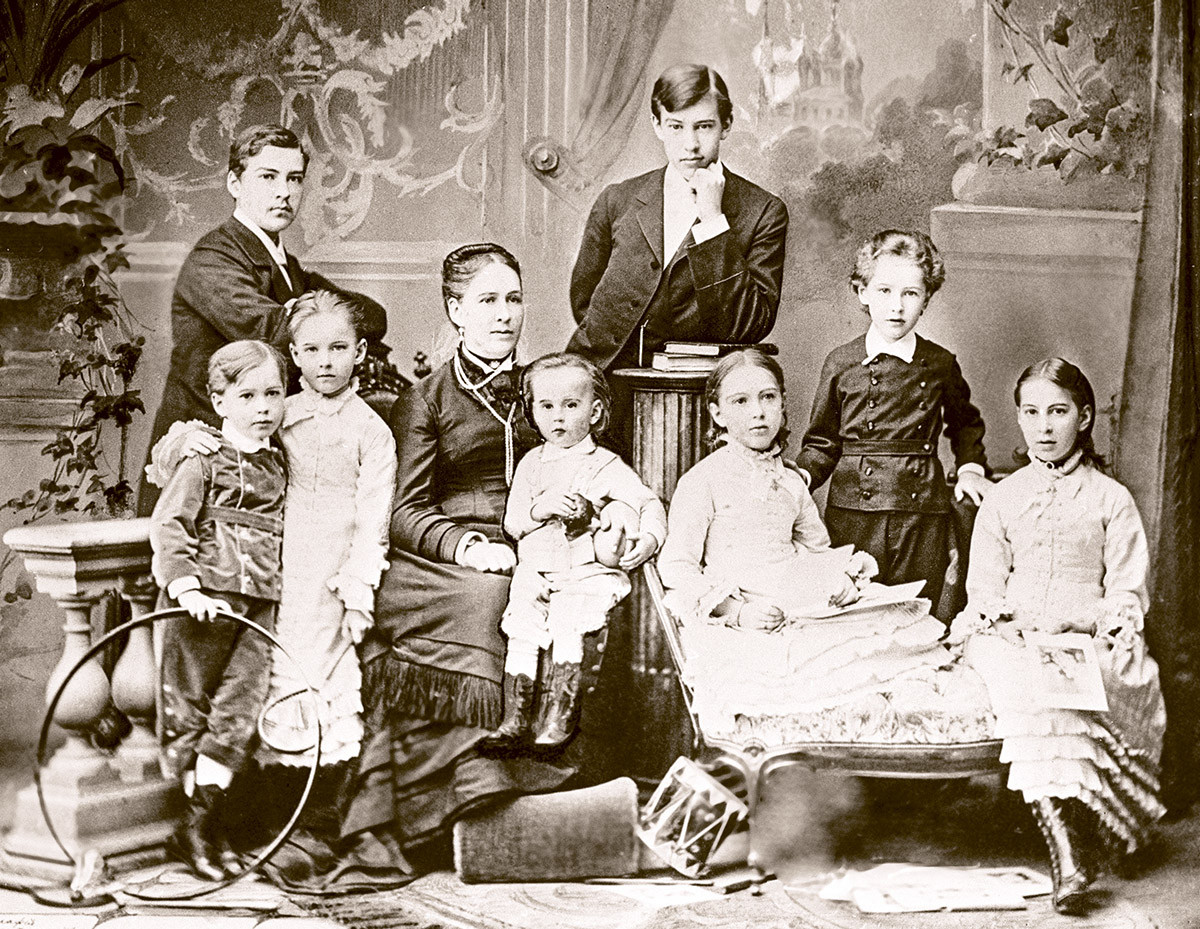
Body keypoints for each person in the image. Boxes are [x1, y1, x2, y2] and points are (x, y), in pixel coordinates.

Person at [341, 244, 576, 872]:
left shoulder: (549, 389)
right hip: (444, 556)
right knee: (491, 597)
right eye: (487, 300)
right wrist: (467, 545)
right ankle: (459, 799)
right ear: (455, 310)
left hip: (539, 540)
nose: (504, 314)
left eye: (514, 299)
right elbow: (403, 510)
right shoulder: (428, 399)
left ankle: (548, 797)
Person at [657, 349, 978, 740]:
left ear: (782, 404)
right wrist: (737, 611)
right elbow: (676, 567)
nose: (758, 412)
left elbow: (817, 549)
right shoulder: (703, 480)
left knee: (891, 642)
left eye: (768, 397)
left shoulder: (790, 481)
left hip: (800, 601)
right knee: (805, 672)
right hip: (746, 612)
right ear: (717, 413)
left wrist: (841, 579)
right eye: (740, 401)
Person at [950, 358, 1166, 913]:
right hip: (1011, 636)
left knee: (1077, 673)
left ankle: (1088, 834)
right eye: (1031, 413)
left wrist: (1083, 621)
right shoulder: (1004, 497)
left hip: (1086, 632)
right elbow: (984, 589)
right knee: (1028, 676)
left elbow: (1127, 593)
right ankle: (1069, 860)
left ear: (1084, 417)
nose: (1043, 427)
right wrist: (1012, 624)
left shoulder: (1111, 499)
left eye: (1058, 412)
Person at [566, 64, 788, 446]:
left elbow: (750, 323)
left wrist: (714, 220)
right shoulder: (617, 200)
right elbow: (584, 299)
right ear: (657, 125)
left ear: (727, 125)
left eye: (704, 126)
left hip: (705, 403)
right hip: (606, 388)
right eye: (676, 126)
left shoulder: (763, 211)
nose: (691, 144)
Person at [139, 123, 342, 516]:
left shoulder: (287, 267)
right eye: (268, 177)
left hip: (254, 455)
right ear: (234, 183)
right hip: (205, 462)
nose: (284, 192)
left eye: (294, 178)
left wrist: (305, 309)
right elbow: (275, 331)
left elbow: (371, 315)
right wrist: (313, 313)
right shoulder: (213, 259)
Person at [147, 340, 288, 881]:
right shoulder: (201, 458)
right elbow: (170, 523)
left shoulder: (279, 463)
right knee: (189, 707)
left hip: (258, 609)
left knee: (239, 708)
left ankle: (207, 821)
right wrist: (186, 589)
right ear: (219, 401)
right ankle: (195, 828)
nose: (262, 408)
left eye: (272, 394)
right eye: (247, 396)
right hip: (201, 606)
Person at [797, 230, 991, 619]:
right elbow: (822, 441)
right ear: (862, 292)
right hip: (854, 512)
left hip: (922, 512)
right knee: (855, 610)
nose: (896, 307)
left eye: (911, 293)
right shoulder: (841, 362)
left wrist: (970, 467)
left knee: (918, 610)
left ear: (927, 299)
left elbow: (965, 425)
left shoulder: (940, 363)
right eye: (884, 291)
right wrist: (800, 477)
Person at [482, 353, 666, 753]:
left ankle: (559, 716)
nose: (558, 417)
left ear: (594, 412)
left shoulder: (605, 465)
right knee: (523, 629)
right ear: (532, 411)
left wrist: (649, 539)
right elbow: (514, 524)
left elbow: (648, 503)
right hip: (535, 569)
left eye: (570, 405)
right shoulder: (531, 465)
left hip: (581, 571)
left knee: (568, 626)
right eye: (546, 406)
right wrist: (540, 508)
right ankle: (514, 718)